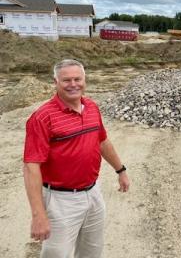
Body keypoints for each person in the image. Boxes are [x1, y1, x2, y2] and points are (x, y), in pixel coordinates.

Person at [23, 59, 130, 257]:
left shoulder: (91, 107)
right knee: (57, 253)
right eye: (66, 80)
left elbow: (102, 142)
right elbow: (31, 166)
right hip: (61, 200)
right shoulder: (42, 117)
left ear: (84, 80)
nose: (73, 84)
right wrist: (38, 214)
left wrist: (120, 170)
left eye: (77, 79)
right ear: (56, 82)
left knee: (92, 251)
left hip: (93, 193)